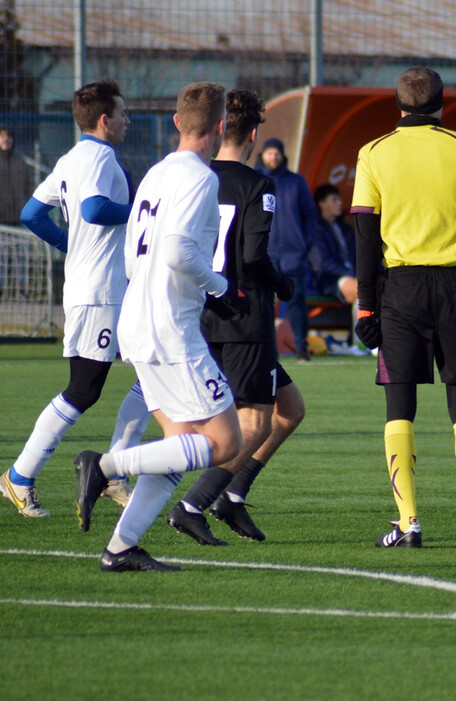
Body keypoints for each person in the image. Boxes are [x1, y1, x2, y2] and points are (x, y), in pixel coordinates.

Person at [73, 81, 245, 572]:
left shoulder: (154, 174)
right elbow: (176, 251)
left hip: (138, 319)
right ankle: (104, 466)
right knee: (226, 443)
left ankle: (121, 548)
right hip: (171, 328)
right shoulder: (201, 178)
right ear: (219, 128)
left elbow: (135, 252)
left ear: (175, 122)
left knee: (178, 445)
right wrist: (220, 287)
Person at [350, 66, 456, 549]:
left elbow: (363, 235)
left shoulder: (373, 153)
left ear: (397, 105)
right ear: (443, 105)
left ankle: (408, 525)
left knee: (400, 406)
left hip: (401, 288)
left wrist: (363, 307)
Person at [0, 80, 150, 520]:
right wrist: (145, 206)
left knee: (152, 368)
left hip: (99, 287)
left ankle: (116, 470)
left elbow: (31, 214)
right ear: (105, 120)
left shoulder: (70, 158)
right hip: (99, 293)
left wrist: (71, 246)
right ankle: (20, 476)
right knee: (83, 390)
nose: (127, 120)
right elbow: (94, 210)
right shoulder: (101, 157)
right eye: (122, 113)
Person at [162, 87, 304, 546]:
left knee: (290, 409)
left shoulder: (193, 175)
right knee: (254, 423)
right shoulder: (257, 184)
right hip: (245, 316)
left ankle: (233, 495)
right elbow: (252, 254)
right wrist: (282, 285)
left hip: (202, 311)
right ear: (255, 133)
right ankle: (192, 505)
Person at [258, 137, 318, 362]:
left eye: (276, 153)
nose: (273, 157)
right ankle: (266, 351)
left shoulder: (296, 182)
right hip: (264, 255)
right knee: (263, 305)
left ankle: (301, 350)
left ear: (283, 155)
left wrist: (306, 242)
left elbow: (310, 214)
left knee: (297, 304)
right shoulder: (257, 180)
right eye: (269, 153)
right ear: (262, 155)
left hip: (294, 255)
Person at [308, 183, 357, 305]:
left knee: (380, 288)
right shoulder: (315, 229)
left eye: (339, 199)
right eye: (334, 200)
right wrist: (349, 272)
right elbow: (321, 263)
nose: (340, 203)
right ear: (322, 204)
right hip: (330, 279)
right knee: (362, 292)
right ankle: (363, 324)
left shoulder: (346, 229)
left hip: (353, 275)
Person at [0, 126, 34, 227]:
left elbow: (30, 185)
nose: (6, 139)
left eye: (9, 136)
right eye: (2, 136)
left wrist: (25, 204)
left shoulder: (20, 161)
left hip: (18, 216)